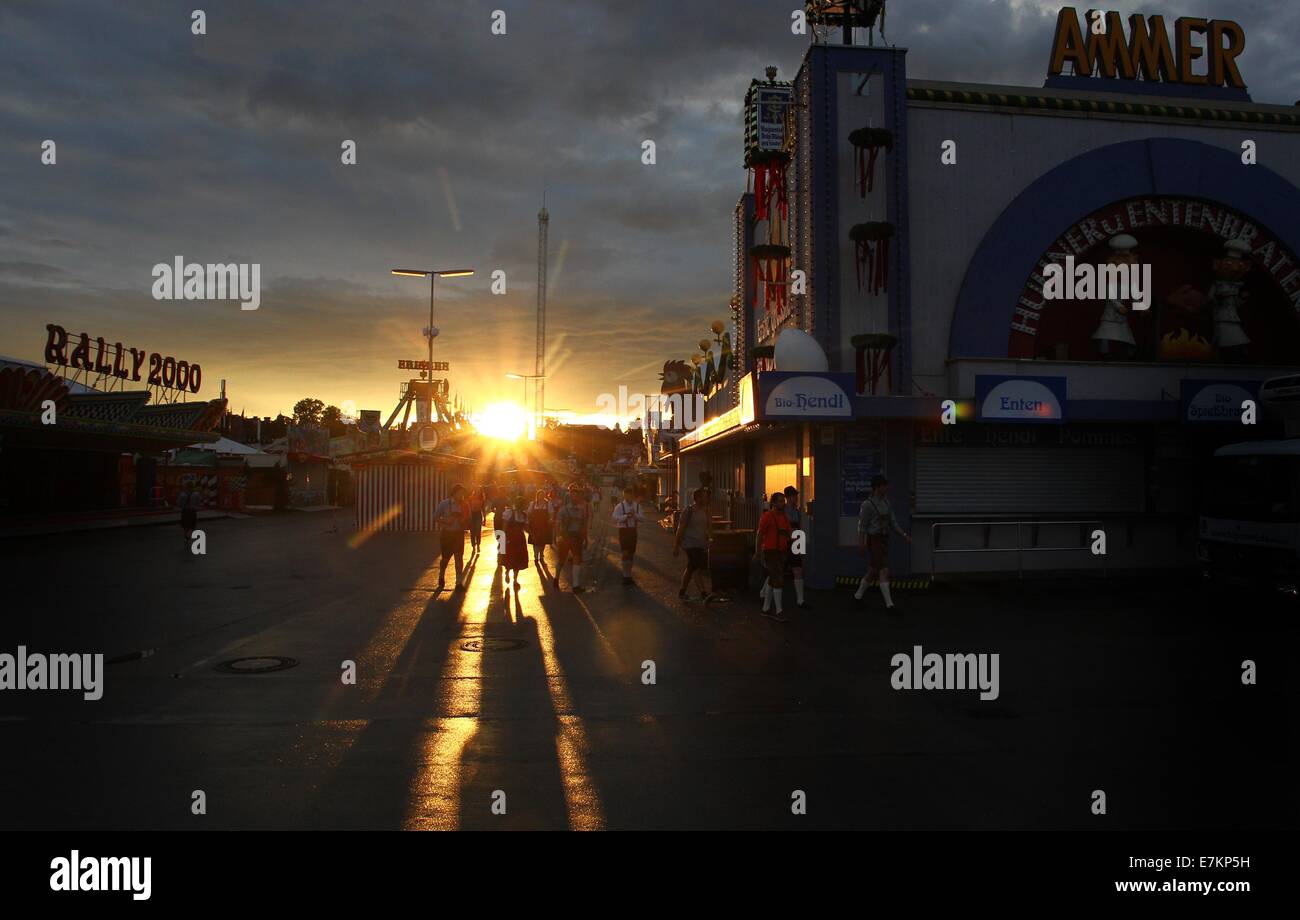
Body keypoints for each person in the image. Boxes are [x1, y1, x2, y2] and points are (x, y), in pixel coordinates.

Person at [854, 474, 911, 610]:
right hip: (874, 540)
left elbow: (893, 522)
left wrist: (904, 535)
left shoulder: (886, 502)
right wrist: (861, 544)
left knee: (873, 570)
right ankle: (889, 605)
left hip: (884, 539)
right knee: (884, 570)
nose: (887, 488)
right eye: (884, 485)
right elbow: (862, 527)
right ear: (877, 487)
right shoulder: (867, 505)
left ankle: (857, 596)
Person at [761, 485, 810, 609]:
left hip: (795, 540)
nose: (796, 498)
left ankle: (800, 599)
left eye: (796, 496)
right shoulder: (784, 512)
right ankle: (765, 593)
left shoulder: (797, 511)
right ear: (789, 497)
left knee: (797, 569)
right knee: (778, 570)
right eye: (794, 496)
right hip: (785, 542)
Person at [673, 487, 717, 603]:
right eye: (704, 497)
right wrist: (676, 545)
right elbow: (680, 528)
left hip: (700, 544)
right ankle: (703, 594)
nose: (707, 498)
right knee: (696, 567)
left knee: (691, 567)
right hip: (689, 543)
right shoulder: (689, 510)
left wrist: (711, 539)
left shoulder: (706, 511)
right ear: (698, 498)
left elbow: (709, 527)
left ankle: (682, 592)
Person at [755, 491, 793, 621]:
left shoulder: (784, 517)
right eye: (780, 501)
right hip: (770, 551)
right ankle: (779, 611)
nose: (783, 503)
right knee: (778, 579)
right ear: (774, 503)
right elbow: (759, 535)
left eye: (783, 501)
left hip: (781, 551)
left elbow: (789, 533)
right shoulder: (767, 516)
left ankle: (766, 609)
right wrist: (757, 552)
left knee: (772, 579)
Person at [553, 483, 590, 593]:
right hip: (565, 537)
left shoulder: (581, 510)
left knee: (577, 560)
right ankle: (556, 577)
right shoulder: (563, 510)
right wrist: (557, 536)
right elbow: (557, 524)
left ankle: (575, 585)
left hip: (577, 538)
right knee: (561, 561)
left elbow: (584, 525)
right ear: (569, 497)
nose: (575, 498)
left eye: (577, 496)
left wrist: (586, 538)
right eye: (573, 496)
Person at [434, 484, 470, 591]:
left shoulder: (465, 505)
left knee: (459, 558)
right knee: (445, 558)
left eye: (463, 493)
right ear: (454, 493)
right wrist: (446, 521)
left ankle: (458, 582)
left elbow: (468, 520)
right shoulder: (444, 504)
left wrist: (464, 521)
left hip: (458, 534)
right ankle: (441, 574)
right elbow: (435, 517)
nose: (462, 495)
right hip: (447, 534)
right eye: (460, 493)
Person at [612, 485, 645, 586]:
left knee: (631, 554)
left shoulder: (637, 506)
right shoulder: (619, 506)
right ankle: (625, 575)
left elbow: (642, 519)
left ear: (632, 495)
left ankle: (629, 575)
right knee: (625, 553)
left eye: (630, 495)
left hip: (633, 531)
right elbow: (614, 518)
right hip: (623, 531)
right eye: (626, 495)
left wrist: (634, 515)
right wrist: (626, 516)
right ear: (624, 496)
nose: (628, 497)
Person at [501, 496, 531, 591]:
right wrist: (502, 540)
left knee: (518, 559)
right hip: (510, 538)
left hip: (520, 539)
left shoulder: (524, 515)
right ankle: (507, 572)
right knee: (510, 558)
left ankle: (515, 579)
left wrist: (532, 531)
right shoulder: (509, 513)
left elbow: (526, 528)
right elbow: (504, 527)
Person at [527, 489, 552, 569]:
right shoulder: (533, 504)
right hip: (535, 525)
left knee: (542, 542)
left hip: (544, 525)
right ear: (537, 496)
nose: (541, 497)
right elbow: (529, 513)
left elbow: (551, 513)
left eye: (542, 495)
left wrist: (550, 519)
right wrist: (529, 521)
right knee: (535, 541)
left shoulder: (548, 504)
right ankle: (536, 556)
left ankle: (541, 553)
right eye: (540, 495)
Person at [177, 478, 199, 547]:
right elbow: (198, 502)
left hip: (185, 511)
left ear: (186, 486)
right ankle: (187, 537)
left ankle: (185, 537)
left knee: (185, 525)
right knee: (192, 526)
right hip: (192, 511)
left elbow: (179, 503)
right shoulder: (196, 494)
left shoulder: (182, 494)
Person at [467, 486, 486, 553]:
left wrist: (484, 518)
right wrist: (468, 517)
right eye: (477, 490)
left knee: (478, 531)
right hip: (472, 515)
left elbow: (483, 509)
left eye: (479, 490)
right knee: (472, 532)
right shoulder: (470, 498)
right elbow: (468, 508)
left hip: (478, 515)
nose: (478, 491)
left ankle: (478, 545)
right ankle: (473, 546)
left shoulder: (482, 499)